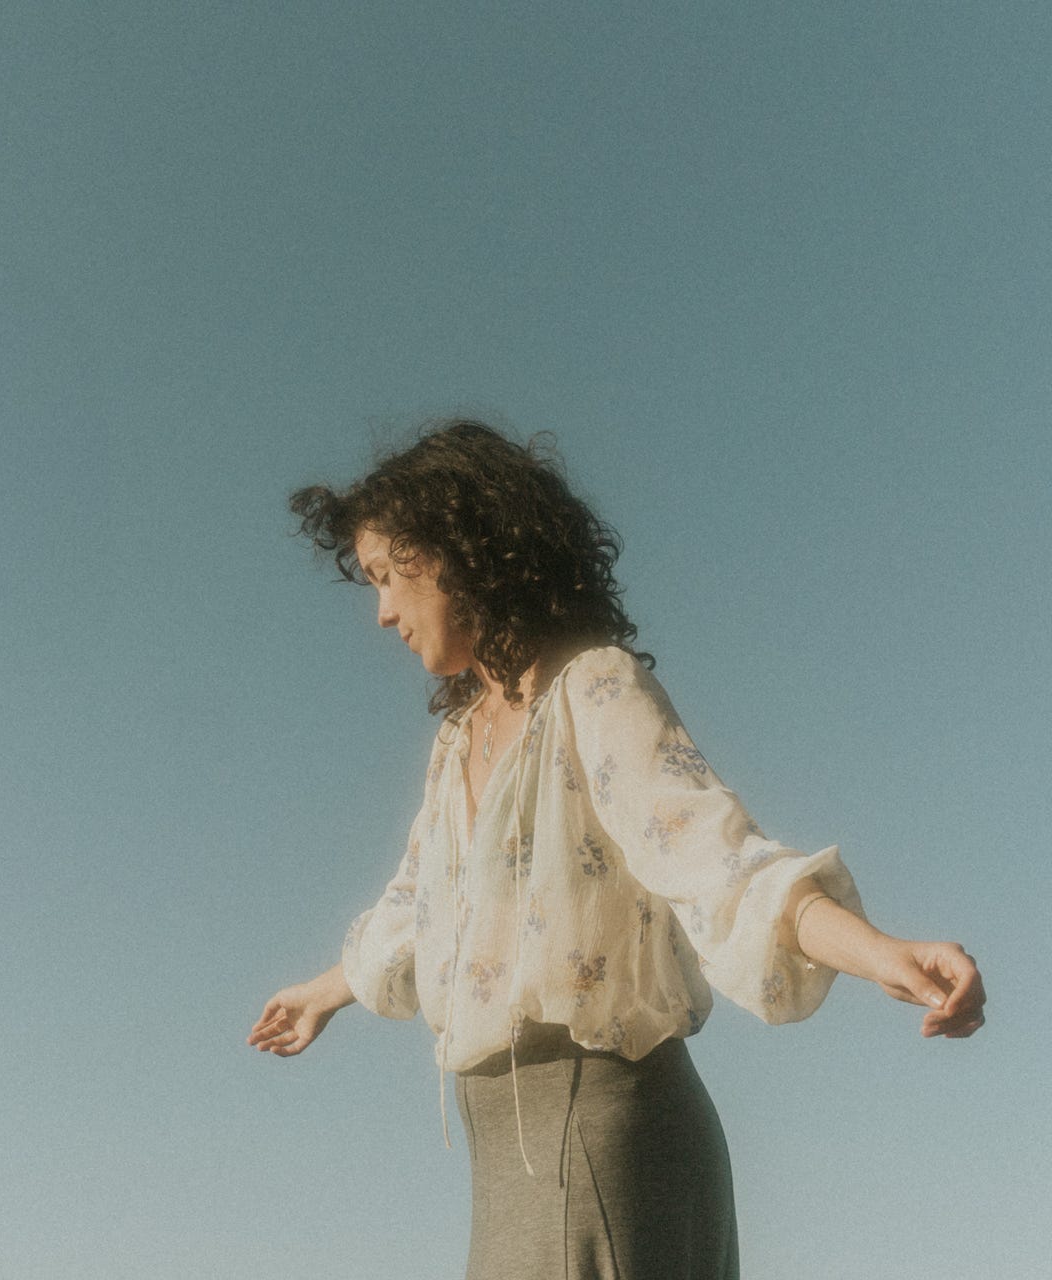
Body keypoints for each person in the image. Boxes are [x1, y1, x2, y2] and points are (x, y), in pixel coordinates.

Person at [247, 421, 985, 1280]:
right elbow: (418, 909)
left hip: (601, 1138)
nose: (381, 613)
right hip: (511, 1168)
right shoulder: (457, 745)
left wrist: (880, 951)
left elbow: (719, 862)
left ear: (457, 549)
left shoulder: (592, 689)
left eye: (386, 576)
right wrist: (323, 994)